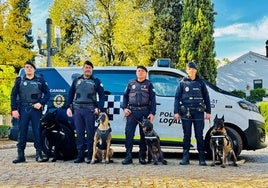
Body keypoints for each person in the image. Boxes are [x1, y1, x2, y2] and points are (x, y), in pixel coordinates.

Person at [11, 61, 50, 163]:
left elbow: (47, 94)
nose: (28, 69)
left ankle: (39, 155)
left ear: (34, 69)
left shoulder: (40, 81)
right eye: (27, 67)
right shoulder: (19, 80)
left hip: (35, 110)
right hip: (23, 109)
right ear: (24, 69)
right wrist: (14, 109)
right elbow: (13, 95)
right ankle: (20, 156)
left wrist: (40, 103)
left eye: (31, 67)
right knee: (22, 132)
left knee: (37, 132)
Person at [66, 60, 105, 163]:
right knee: (79, 133)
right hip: (78, 109)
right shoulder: (76, 81)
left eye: (90, 68)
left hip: (90, 110)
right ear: (83, 68)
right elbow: (70, 94)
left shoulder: (96, 81)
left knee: (90, 133)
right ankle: (80, 155)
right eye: (86, 67)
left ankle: (89, 155)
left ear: (92, 70)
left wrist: (99, 108)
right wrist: (68, 107)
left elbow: (102, 96)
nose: (88, 69)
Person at [173, 61, 211, 166]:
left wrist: (208, 111)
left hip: (198, 112)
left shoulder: (201, 83)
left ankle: (201, 159)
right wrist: (176, 112)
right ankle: (185, 158)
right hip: (186, 112)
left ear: (196, 70)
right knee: (187, 135)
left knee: (199, 135)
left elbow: (206, 97)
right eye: (189, 69)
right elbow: (177, 98)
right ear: (187, 70)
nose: (191, 71)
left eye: (193, 69)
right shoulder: (182, 83)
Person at [121, 65, 156, 165]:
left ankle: (142, 157)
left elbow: (153, 99)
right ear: (136, 73)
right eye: (138, 71)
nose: (140, 72)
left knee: (143, 136)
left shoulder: (149, 84)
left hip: (144, 112)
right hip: (132, 113)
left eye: (142, 71)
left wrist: (152, 113)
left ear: (146, 73)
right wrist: (124, 108)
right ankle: (128, 156)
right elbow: (125, 97)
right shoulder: (131, 83)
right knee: (129, 135)